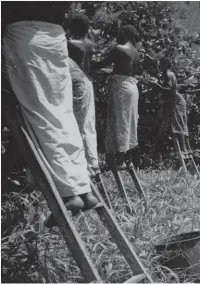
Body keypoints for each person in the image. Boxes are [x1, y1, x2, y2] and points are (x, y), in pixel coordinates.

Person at [2, 2, 98, 226]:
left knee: (41, 116)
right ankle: (83, 188)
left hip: (26, 35)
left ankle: (68, 194)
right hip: (56, 38)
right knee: (62, 114)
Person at [95, 25, 142, 171]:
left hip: (121, 87)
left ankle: (120, 161)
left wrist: (88, 64)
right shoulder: (136, 52)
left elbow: (102, 64)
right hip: (132, 87)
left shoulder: (119, 48)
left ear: (123, 33)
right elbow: (125, 71)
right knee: (129, 122)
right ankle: (127, 159)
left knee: (119, 121)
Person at [67, 13, 99, 177]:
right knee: (88, 125)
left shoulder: (72, 44)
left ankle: (81, 163)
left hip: (77, 85)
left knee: (77, 124)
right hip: (88, 83)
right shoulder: (90, 43)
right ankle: (93, 163)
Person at [149, 70, 191, 162]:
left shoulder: (167, 79)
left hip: (176, 103)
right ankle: (185, 149)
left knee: (178, 125)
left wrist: (157, 86)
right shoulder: (163, 82)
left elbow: (167, 94)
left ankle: (185, 148)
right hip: (174, 103)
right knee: (178, 125)